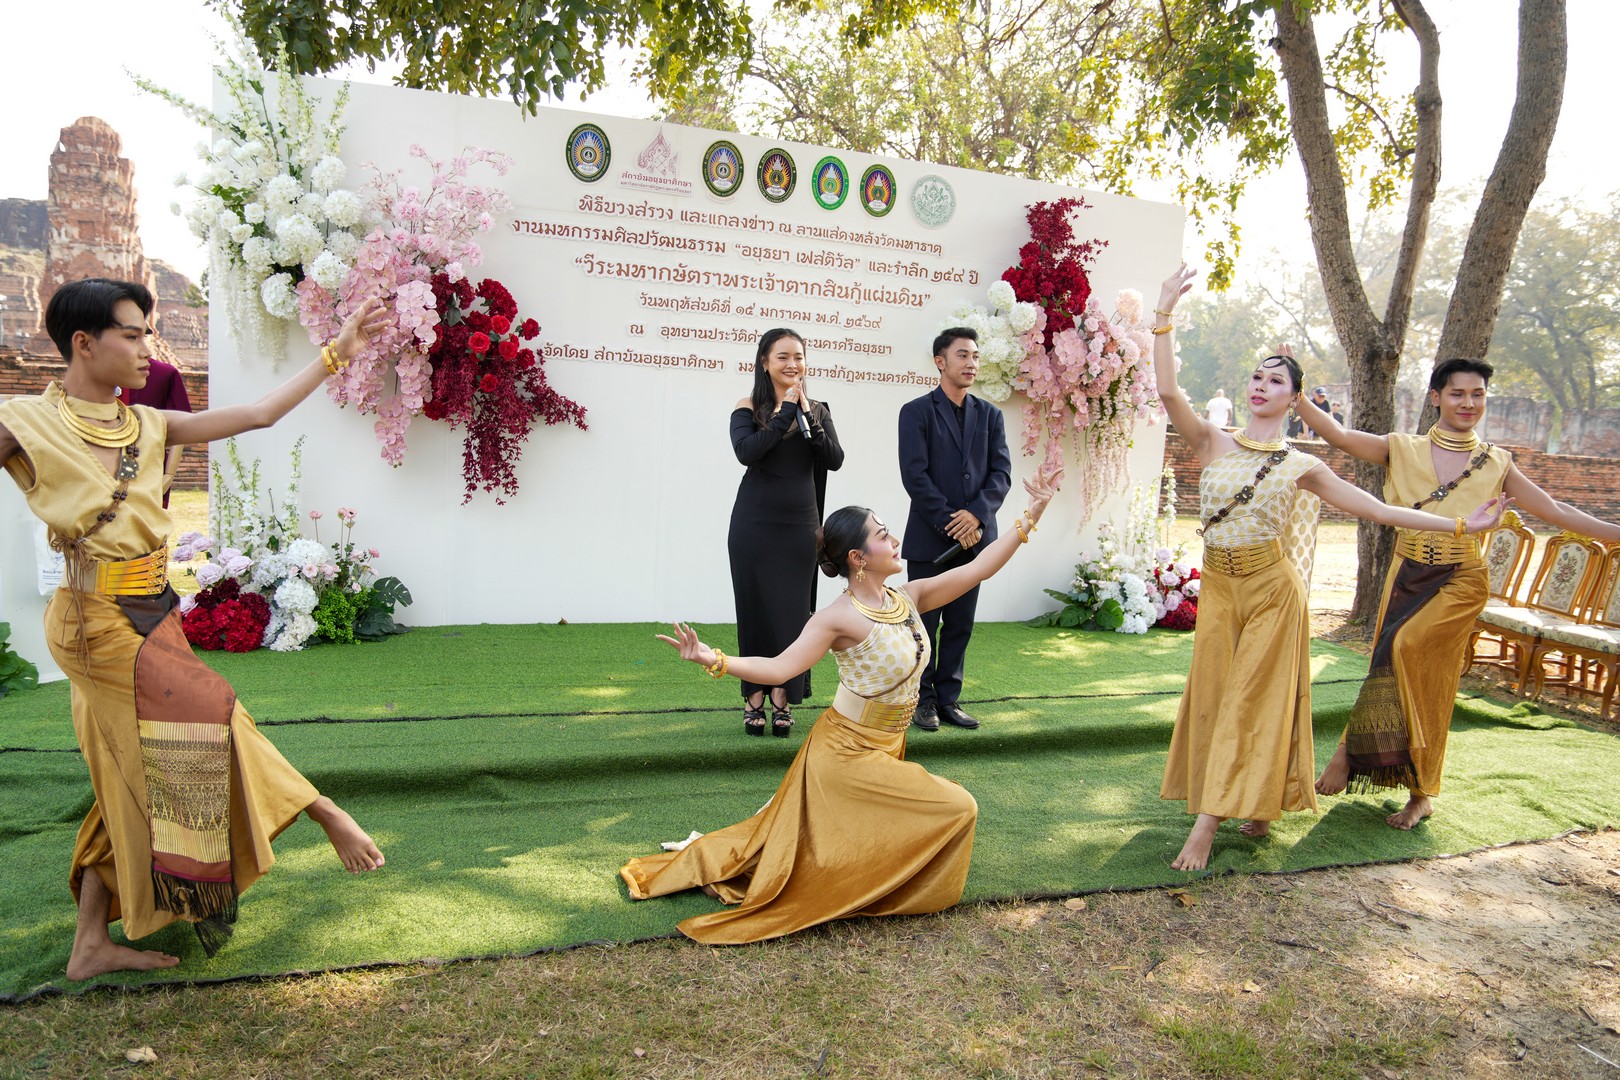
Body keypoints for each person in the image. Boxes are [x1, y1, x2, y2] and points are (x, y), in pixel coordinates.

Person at [0, 278, 389, 981]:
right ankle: (321, 808)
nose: (149, 348)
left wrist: (338, 352)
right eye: (132, 334)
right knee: (210, 712)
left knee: (129, 767)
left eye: (148, 332)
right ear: (84, 343)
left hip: (153, 611)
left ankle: (89, 943)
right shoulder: (25, 422)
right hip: (92, 624)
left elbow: (260, 414)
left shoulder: (147, 424)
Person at [1151, 266, 1510, 870]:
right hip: (1220, 588)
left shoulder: (1300, 465)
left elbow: (1377, 509)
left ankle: (1207, 824)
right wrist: (1163, 314)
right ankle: (1259, 803)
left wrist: (1459, 526)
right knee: (1215, 696)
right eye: (1256, 377)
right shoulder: (1213, 440)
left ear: (1294, 399)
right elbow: (1167, 392)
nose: (1261, 386)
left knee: (1250, 701)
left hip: (1272, 591)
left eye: (1276, 380)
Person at [620, 464, 1061, 943]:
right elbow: (780, 668)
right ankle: (876, 893)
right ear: (857, 557)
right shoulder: (837, 618)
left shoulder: (908, 596)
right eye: (883, 535)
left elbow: (979, 568)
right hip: (845, 755)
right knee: (960, 806)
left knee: (879, 834)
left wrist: (1032, 514)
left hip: (887, 746)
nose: (895, 541)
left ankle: (867, 879)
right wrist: (715, 659)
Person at [1301, 358, 1620, 828]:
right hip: (1406, 571)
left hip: (1462, 578)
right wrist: (1299, 395)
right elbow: (1340, 436)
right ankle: (1418, 792)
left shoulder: (1496, 462)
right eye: (1457, 394)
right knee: (1394, 662)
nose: (1469, 403)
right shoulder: (1401, 448)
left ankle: (1350, 755)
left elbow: (1555, 510)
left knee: (1405, 647)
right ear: (1436, 397)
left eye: (1478, 394)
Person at [729, 329, 845, 737]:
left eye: (798, 356)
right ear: (764, 362)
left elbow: (834, 459)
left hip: (800, 528)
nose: (792, 364)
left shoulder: (819, 410)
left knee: (792, 616)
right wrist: (784, 414)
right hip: (754, 525)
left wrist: (807, 415)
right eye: (782, 356)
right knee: (756, 611)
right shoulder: (748, 407)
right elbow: (747, 451)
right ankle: (753, 697)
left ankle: (782, 695)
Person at [897, 327, 1012, 731]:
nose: (972, 363)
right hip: (930, 539)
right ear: (940, 361)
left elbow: (1001, 474)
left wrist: (976, 516)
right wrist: (953, 522)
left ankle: (948, 699)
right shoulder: (916, 412)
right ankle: (921, 699)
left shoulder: (991, 415)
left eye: (976, 356)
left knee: (961, 624)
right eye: (963, 355)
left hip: (976, 542)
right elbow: (915, 476)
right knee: (924, 625)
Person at [118, 355, 192, 508]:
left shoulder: (164, 373)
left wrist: (169, 474)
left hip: (145, 463)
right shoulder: (93, 373)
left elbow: (183, 425)